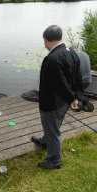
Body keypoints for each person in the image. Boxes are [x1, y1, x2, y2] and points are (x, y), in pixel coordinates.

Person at [31, 25, 84, 169]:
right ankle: (44, 140)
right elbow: (78, 77)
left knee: (53, 129)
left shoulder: (52, 59)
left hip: (52, 103)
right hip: (64, 101)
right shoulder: (72, 52)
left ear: (45, 40)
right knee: (52, 126)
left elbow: (62, 84)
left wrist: (73, 96)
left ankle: (54, 161)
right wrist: (76, 97)